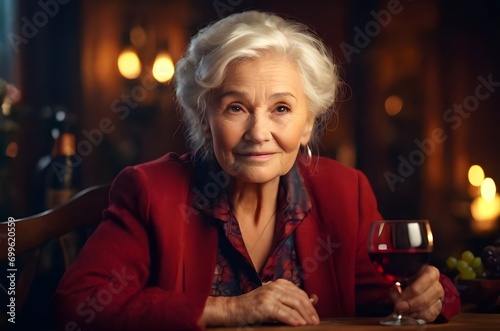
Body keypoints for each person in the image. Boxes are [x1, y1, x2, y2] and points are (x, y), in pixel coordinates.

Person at [54, 10, 460, 330]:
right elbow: (78, 305)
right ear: (204, 118)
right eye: (236, 108)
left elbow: (388, 295)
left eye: (281, 109)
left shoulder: (344, 190)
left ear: (307, 125)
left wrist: (428, 295)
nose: (258, 133)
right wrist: (228, 310)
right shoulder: (150, 191)